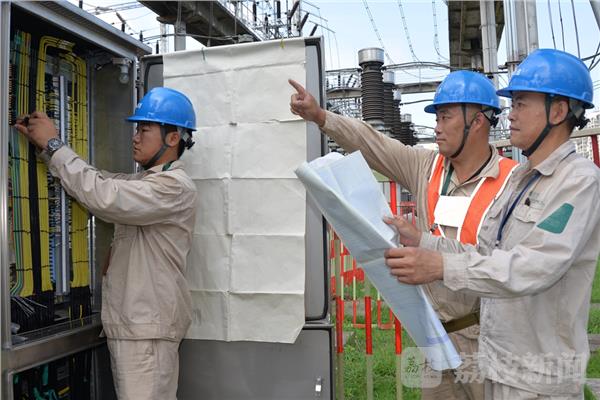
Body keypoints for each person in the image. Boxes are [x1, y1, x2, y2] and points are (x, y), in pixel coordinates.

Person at [384, 49, 600, 399]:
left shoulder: (578, 181)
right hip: (498, 365)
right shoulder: (521, 181)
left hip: (540, 379)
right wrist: (424, 242)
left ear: (558, 111)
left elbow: (534, 266)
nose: (510, 115)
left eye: (521, 104)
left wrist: (440, 266)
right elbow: (485, 252)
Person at [290, 71, 517, 400]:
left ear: (478, 121)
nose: (437, 127)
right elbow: (373, 143)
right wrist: (321, 116)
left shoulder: (511, 182)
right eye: (437, 118)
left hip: (487, 338)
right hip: (434, 335)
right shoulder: (426, 167)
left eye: (445, 117)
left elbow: (513, 266)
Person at [15, 87, 198, 400]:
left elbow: (103, 195)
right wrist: (46, 148)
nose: (135, 138)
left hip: (146, 332)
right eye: (136, 130)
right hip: (137, 327)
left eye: (144, 130)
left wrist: (55, 144)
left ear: (173, 138)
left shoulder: (173, 187)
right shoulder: (143, 182)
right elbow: (95, 180)